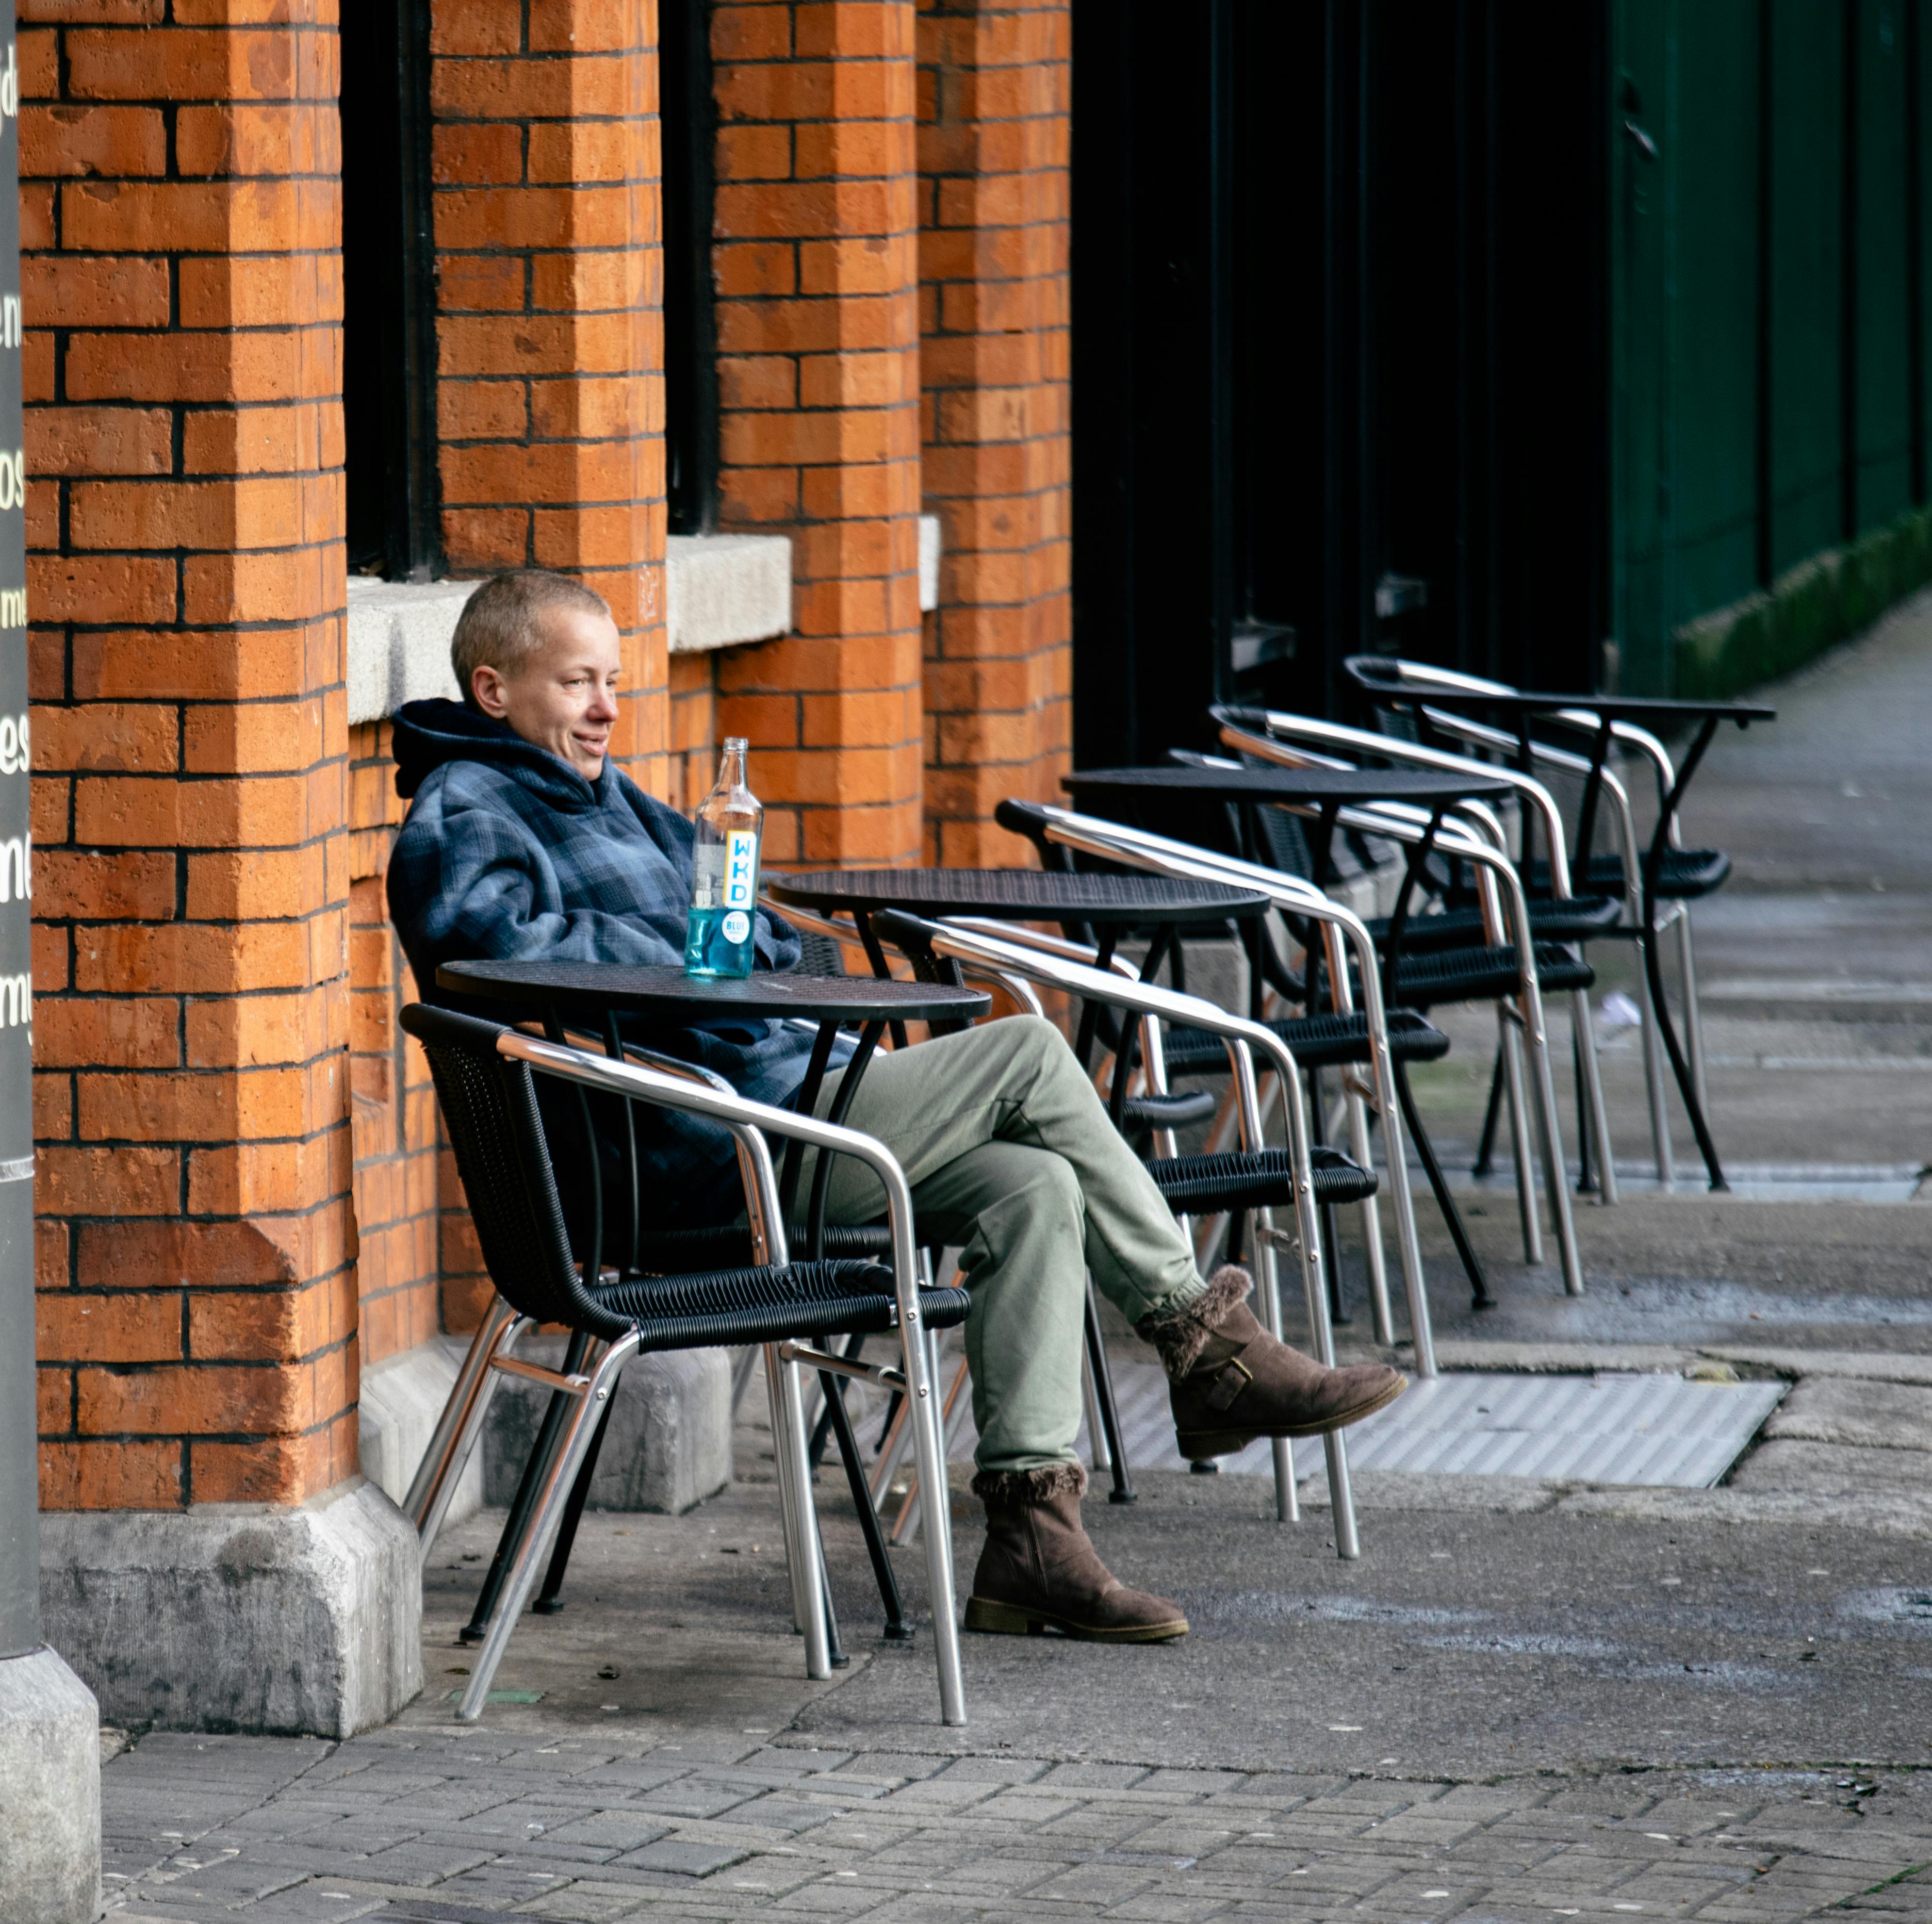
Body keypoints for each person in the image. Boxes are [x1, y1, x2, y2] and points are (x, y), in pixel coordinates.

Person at [389, 569, 1406, 1643]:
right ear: (495, 689)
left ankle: (1032, 1543)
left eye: (613, 682)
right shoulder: (465, 806)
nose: (605, 707)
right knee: (1022, 1054)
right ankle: (1207, 1347)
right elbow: (482, 955)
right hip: (695, 1148)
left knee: (1035, 1186)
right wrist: (692, 948)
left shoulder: (612, 797)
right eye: (576, 683)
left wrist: (732, 943)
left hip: (769, 1110)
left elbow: (766, 931)